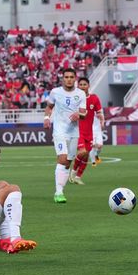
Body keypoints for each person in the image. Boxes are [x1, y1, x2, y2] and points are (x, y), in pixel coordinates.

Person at [43, 68, 87, 203]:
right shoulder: (55, 92)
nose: (69, 79)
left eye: (71, 77)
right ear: (62, 78)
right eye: (66, 77)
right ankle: (58, 192)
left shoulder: (80, 94)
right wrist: (46, 117)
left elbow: (84, 113)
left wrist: (78, 114)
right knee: (62, 159)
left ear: (75, 79)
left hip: (73, 132)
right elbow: (49, 107)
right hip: (59, 131)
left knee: (68, 162)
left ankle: (60, 189)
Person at [70, 77, 103, 184]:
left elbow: (99, 112)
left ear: (88, 86)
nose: (83, 86)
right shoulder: (75, 99)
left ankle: (78, 177)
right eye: (81, 84)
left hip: (89, 132)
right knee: (82, 152)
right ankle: (73, 172)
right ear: (78, 86)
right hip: (78, 131)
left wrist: (102, 120)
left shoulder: (94, 98)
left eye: (85, 84)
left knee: (86, 155)